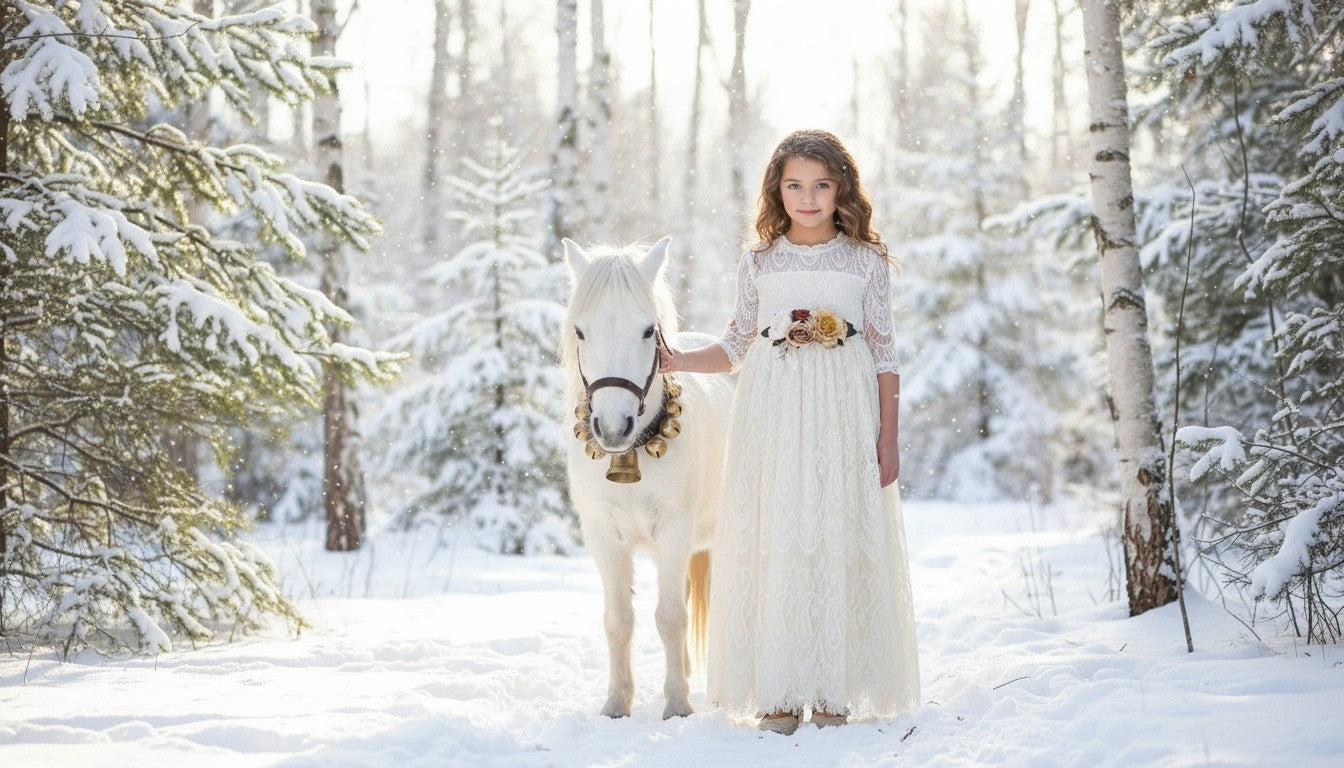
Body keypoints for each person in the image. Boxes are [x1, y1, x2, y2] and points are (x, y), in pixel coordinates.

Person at [659, 129, 920, 735]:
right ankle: (776, 689)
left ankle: (831, 687)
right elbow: (735, 346)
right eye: (795, 185)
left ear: (841, 189)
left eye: (821, 185)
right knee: (774, 535)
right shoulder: (760, 260)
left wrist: (888, 437)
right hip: (772, 416)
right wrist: (677, 360)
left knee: (834, 533)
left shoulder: (864, 261)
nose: (808, 198)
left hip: (842, 416)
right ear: (777, 190)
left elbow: (884, 355)